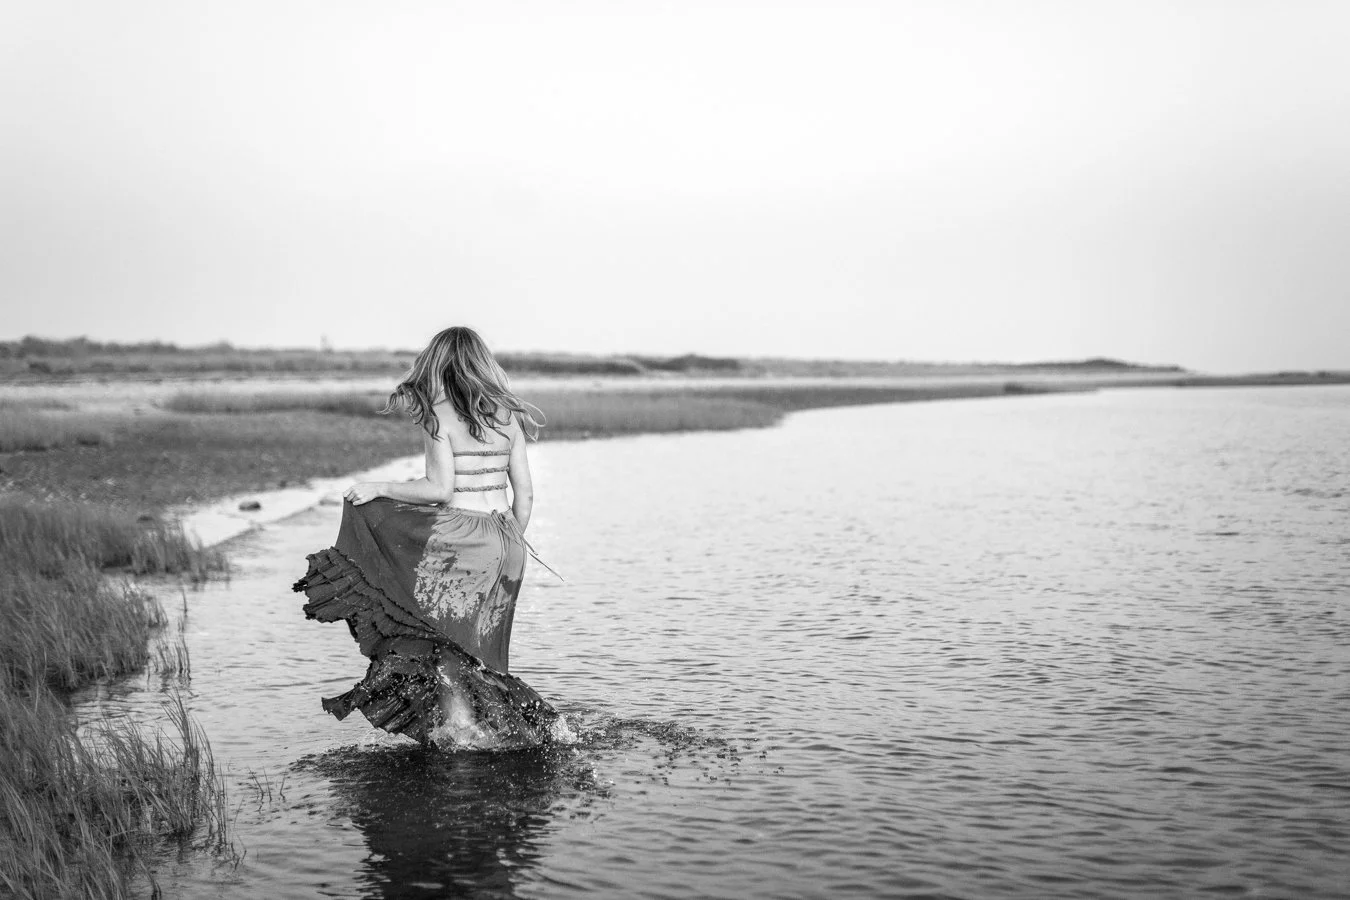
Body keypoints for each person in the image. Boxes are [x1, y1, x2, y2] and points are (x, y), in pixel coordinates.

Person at [293, 326, 562, 749]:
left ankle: (462, 734)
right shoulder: (507, 417)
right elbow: (525, 493)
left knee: (441, 640)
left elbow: (438, 490)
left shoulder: (440, 418)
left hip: (464, 539)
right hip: (508, 542)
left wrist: (380, 487)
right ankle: (505, 732)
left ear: (440, 365)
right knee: (483, 649)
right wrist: (506, 540)